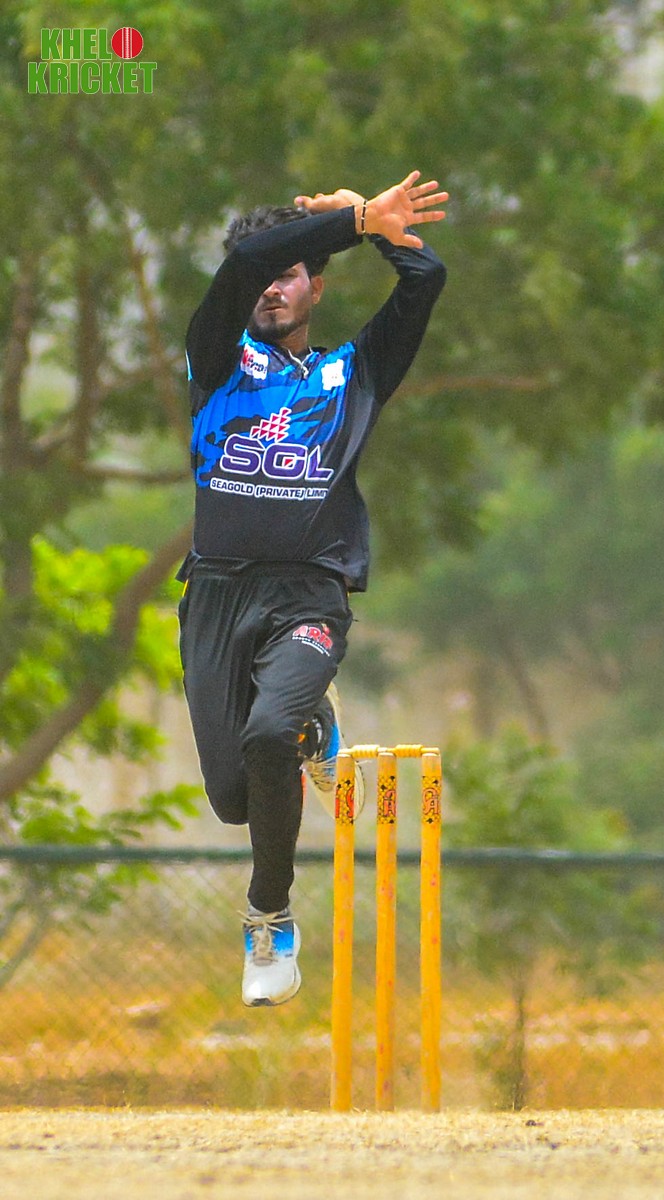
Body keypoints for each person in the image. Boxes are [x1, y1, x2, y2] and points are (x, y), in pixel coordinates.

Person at [178, 171, 448, 1006]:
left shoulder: (352, 375)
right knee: (236, 801)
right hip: (216, 597)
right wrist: (349, 219)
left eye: (289, 274)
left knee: (269, 734)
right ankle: (310, 727)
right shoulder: (215, 356)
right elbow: (244, 265)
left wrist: (374, 228)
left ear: (316, 288)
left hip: (309, 596)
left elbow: (426, 277)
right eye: (264, 273)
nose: (271, 286)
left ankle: (269, 918)